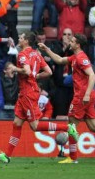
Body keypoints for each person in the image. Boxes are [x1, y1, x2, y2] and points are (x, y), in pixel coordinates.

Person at [0, 32, 79, 163]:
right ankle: (7, 155)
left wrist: (15, 68)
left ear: (26, 41)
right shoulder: (37, 54)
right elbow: (49, 71)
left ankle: (67, 128)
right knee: (16, 123)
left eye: (21, 38)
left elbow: (26, 71)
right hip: (26, 92)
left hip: (27, 93)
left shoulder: (22, 55)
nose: (19, 39)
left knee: (35, 126)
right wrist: (36, 76)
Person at [38, 33, 95, 163]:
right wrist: (47, 49)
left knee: (71, 125)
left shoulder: (81, 58)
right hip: (86, 95)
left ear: (78, 44)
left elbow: (92, 75)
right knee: (92, 126)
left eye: (73, 41)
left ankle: (73, 158)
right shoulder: (75, 57)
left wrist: (86, 94)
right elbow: (59, 60)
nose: (70, 42)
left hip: (82, 96)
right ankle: (72, 157)